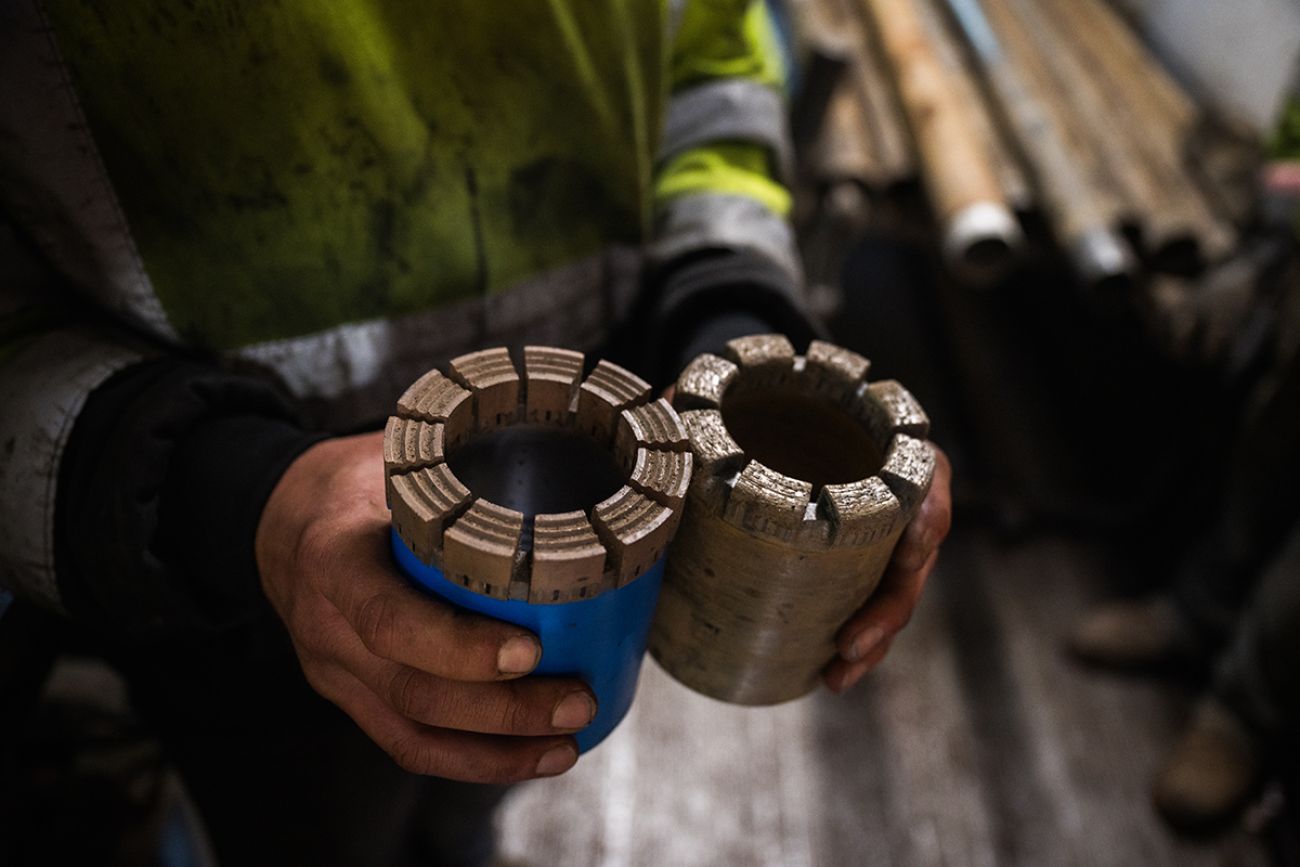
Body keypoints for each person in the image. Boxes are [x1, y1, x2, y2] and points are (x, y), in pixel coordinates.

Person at [0, 2, 952, 865]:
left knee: (487, 782)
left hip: (612, 452)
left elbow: (708, 58)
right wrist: (227, 489)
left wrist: (726, 338)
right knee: (315, 829)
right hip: (231, 572)